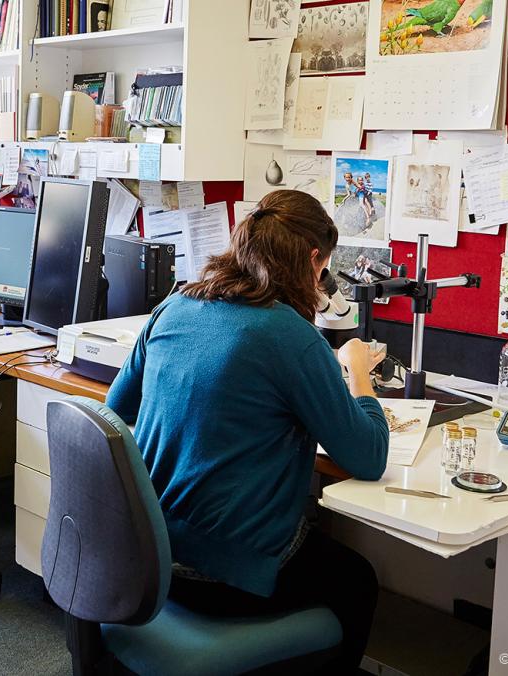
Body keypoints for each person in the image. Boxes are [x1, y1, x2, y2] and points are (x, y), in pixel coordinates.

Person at [106, 189, 389, 673]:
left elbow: (116, 410)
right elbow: (368, 457)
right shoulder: (290, 336)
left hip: (148, 556)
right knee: (357, 581)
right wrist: (358, 372)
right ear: (313, 259)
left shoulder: (173, 307)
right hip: (219, 574)